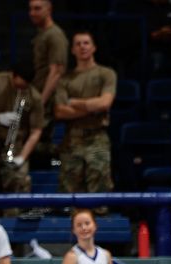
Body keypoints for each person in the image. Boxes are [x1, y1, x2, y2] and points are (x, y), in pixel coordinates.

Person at [54, 31, 116, 195]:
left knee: (100, 183)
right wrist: (91, 107)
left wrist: (75, 102)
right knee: (69, 188)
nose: (82, 47)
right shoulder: (65, 79)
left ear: (94, 47)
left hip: (97, 137)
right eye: (78, 44)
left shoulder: (106, 74)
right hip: (72, 139)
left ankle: (99, 218)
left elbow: (105, 103)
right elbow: (60, 111)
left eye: (86, 43)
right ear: (73, 49)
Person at [0, 63, 45, 200]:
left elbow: (36, 130)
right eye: (19, 84)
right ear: (13, 76)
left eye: (25, 86)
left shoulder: (34, 96)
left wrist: (22, 157)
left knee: (18, 182)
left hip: (16, 145)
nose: (22, 88)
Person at [28, 0, 68, 154]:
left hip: (49, 97)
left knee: (41, 144)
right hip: (38, 92)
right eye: (30, 9)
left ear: (49, 9)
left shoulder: (55, 35)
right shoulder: (42, 34)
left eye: (37, 9)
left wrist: (41, 101)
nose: (32, 13)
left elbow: (57, 71)